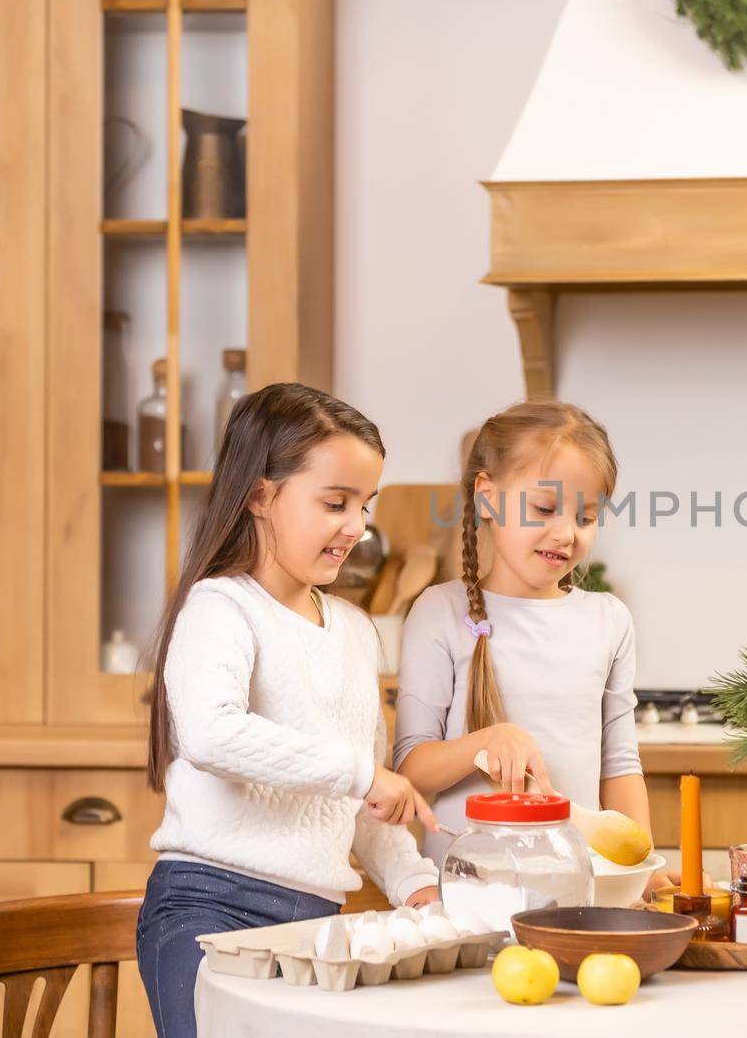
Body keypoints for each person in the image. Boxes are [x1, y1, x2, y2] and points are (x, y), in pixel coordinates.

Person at [136, 383, 437, 1038]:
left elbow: (356, 801)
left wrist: (415, 881)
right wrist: (362, 775)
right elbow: (213, 733)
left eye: (365, 505)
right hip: (211, 912)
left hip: (317, 928)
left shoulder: (356, 630)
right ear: (260, 495)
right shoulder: (221, 608)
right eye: (336, 502)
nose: (357, 527)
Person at [395, 400, 664, 891]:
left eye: (586, 517)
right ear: (488, 498)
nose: (566, 534)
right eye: (544, 508)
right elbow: (410, 768)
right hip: (465, 897)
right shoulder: (439, 612)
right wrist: (485, 741)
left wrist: (639, 872)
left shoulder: (608, 621)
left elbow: (620, 766)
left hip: (576, 892)